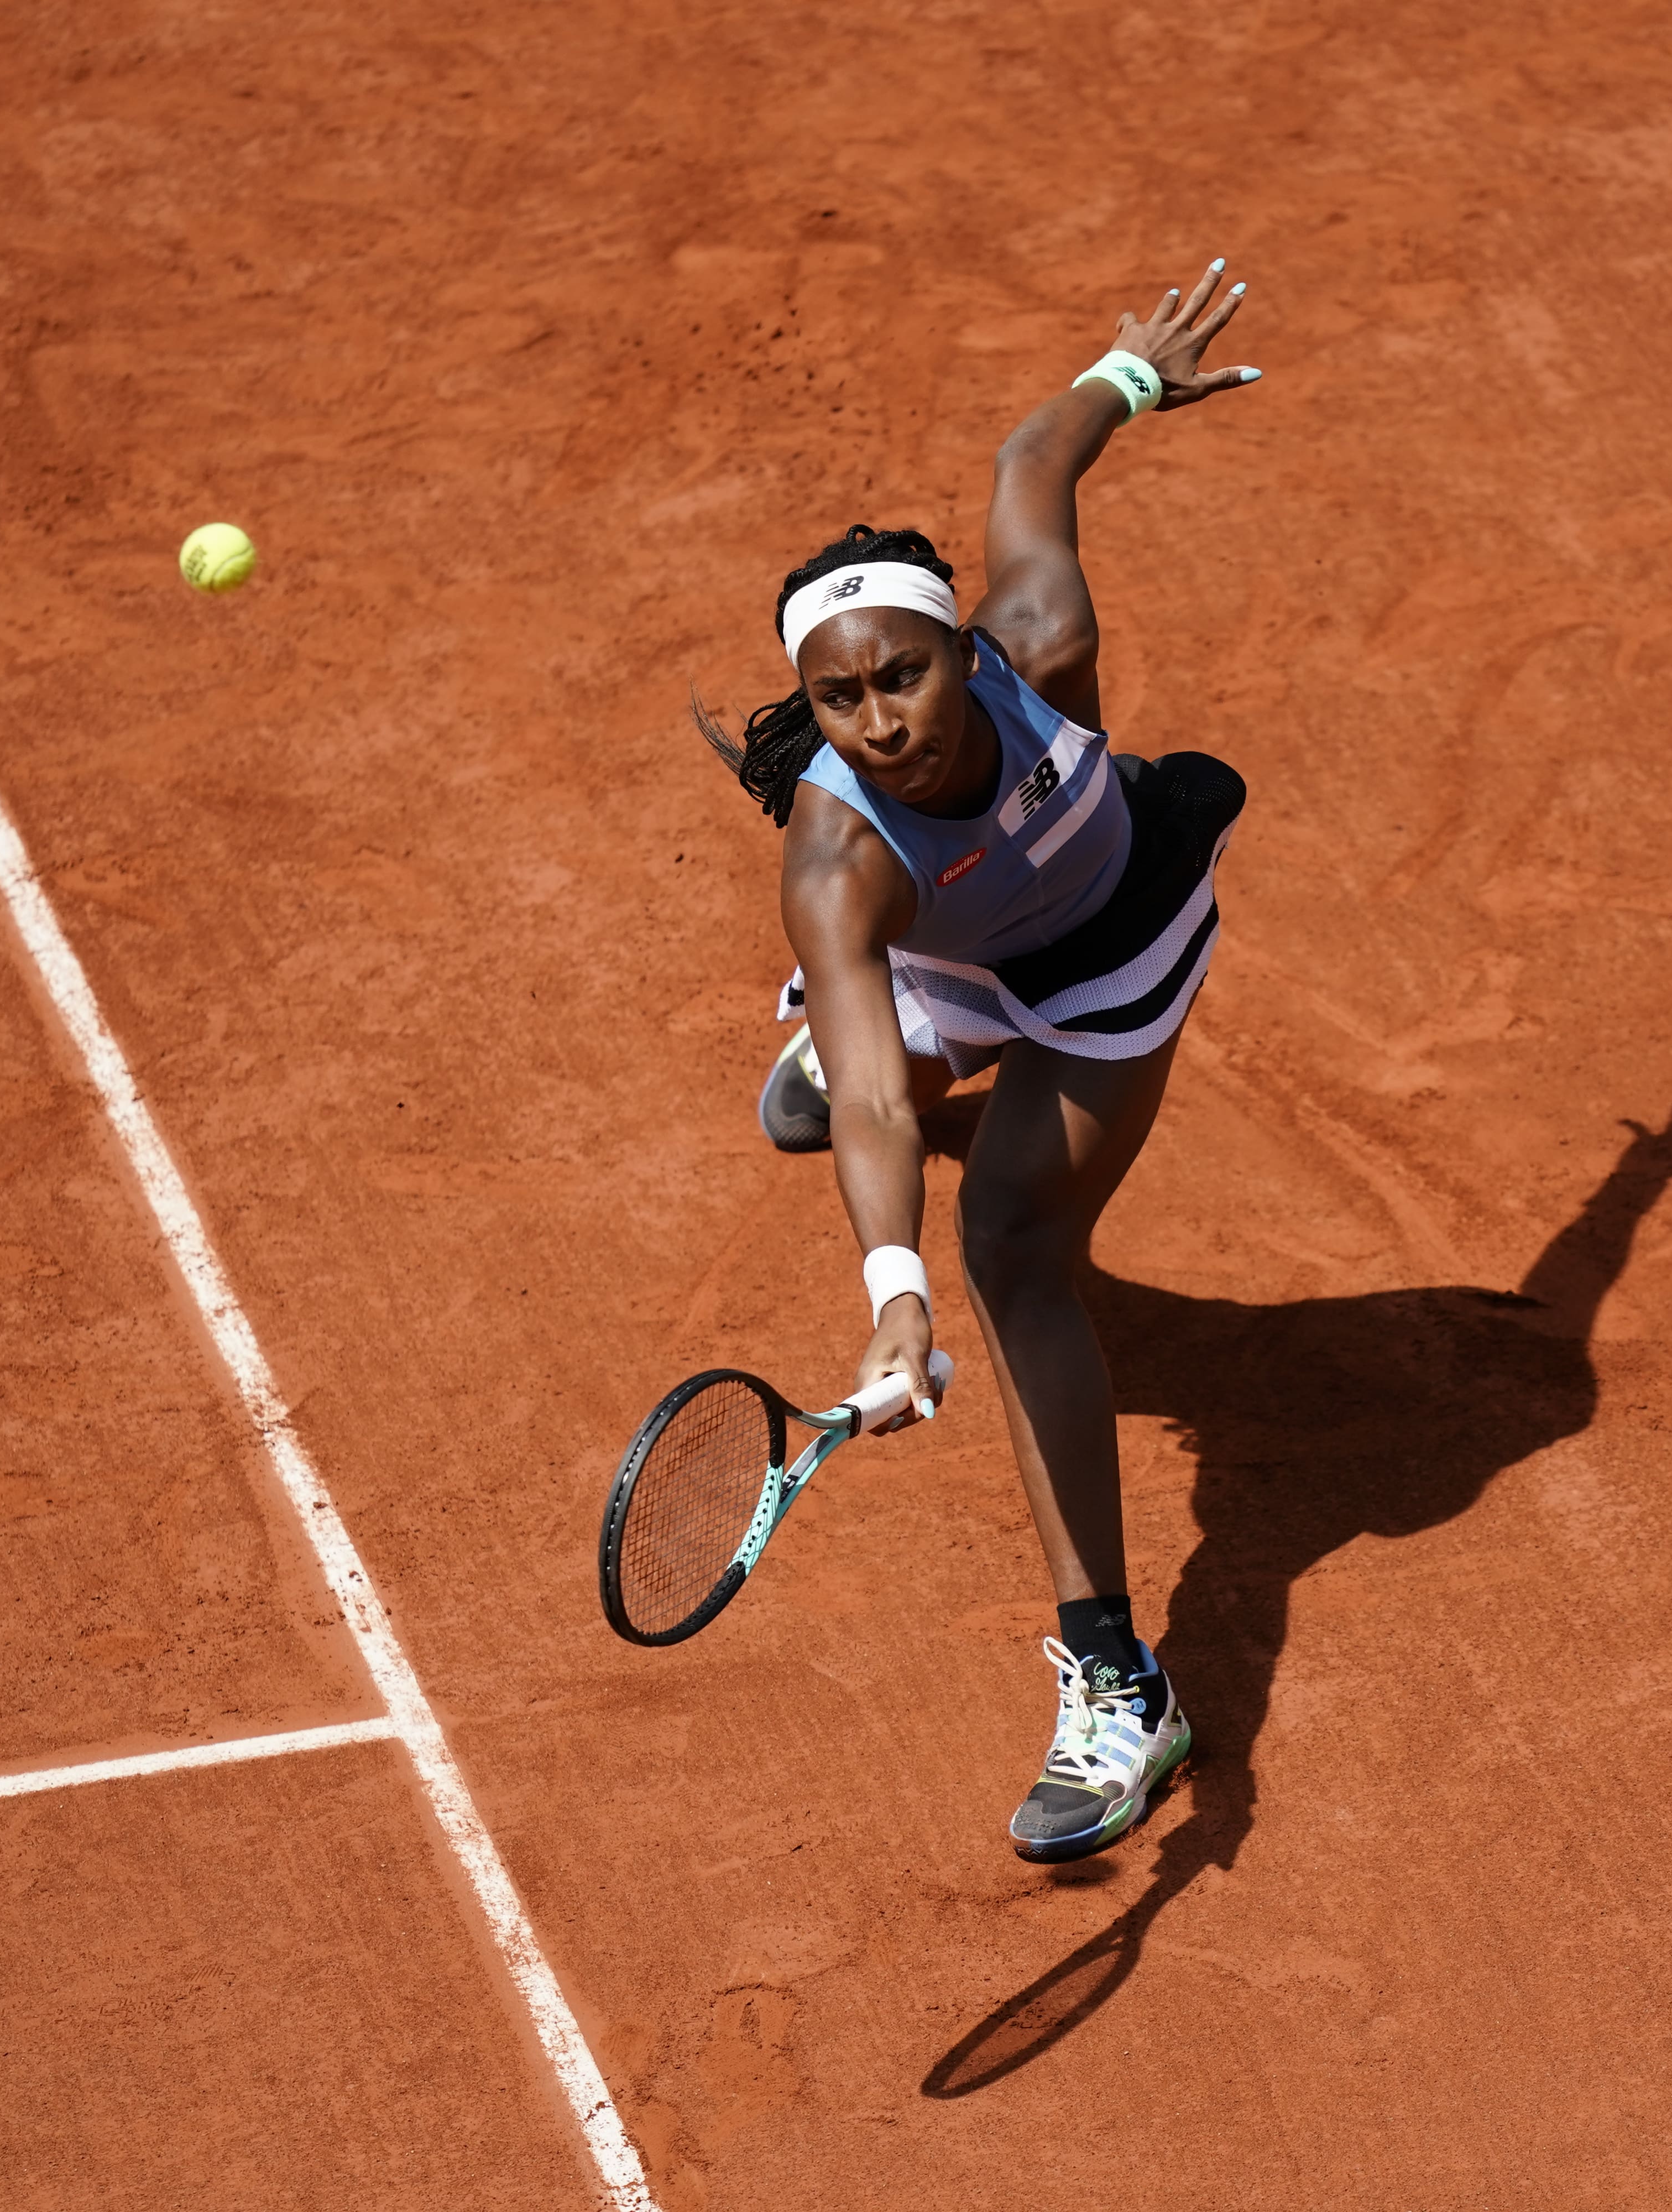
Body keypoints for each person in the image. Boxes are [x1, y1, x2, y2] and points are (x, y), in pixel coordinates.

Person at [693, 262, 1260, 1861]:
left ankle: (1119, 1684)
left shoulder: (1044, 634)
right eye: (840, 698)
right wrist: (891, 1295)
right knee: (857, 1091)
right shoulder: (834, 859)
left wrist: (1130, 374)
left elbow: (1033, 462)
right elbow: (877, 1098)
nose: (879, 720)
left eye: (904, 675)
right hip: (939, 957)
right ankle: (892, 1029)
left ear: (967, 651)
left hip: (1106, 948)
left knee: (1014, 1246)